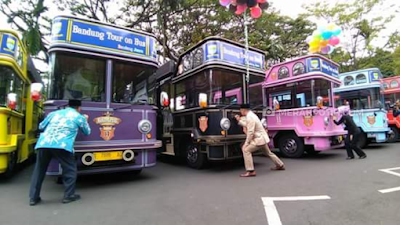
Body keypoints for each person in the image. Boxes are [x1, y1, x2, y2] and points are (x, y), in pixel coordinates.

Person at [29, 100, 91, 206]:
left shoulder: (54, 113)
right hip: (62, 145)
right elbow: (87, 132)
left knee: (39, 170)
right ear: (79, 108)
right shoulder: (79, 117)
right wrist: (85, 120)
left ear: (67, 106)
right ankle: (69, 196)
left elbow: (41, 126)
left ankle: (33, 198)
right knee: (70, 170)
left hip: (44, 143)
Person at [235, 104, 285, 177]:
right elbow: (248, 125)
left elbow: (250, 132)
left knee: (246, 150)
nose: (240, 112)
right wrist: (239, 121)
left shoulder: (249, 117)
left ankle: (250, 171)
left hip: (259, 139)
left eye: (240, 110)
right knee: (268, 153)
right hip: (263, 138)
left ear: (243, 110)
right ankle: (280, 164)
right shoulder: (252, 115)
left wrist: (246, 143)